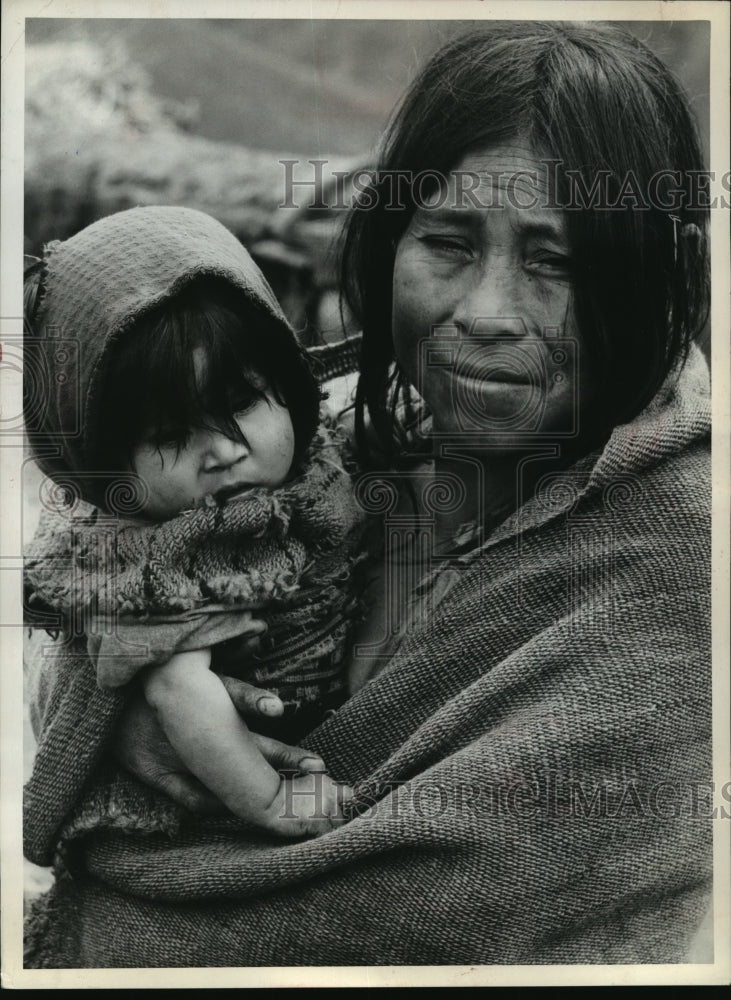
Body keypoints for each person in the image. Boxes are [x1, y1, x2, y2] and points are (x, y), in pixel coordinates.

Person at [24, 21, 711, 967]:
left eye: (555, 261)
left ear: (645, 277)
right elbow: (96, 608)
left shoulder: (682, 570)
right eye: (447, 242)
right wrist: (137, 696)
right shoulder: (329, 440)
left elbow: (457, 908)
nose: (485, 314)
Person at [23, 205, 364, 844]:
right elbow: (181, 692)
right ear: (105, 465)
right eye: (174, 434)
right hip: (210, 795)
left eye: (240, 404)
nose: (224, 451)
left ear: (288, 383)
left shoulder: (321, 464)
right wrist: (269, 801)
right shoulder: (162, 555)